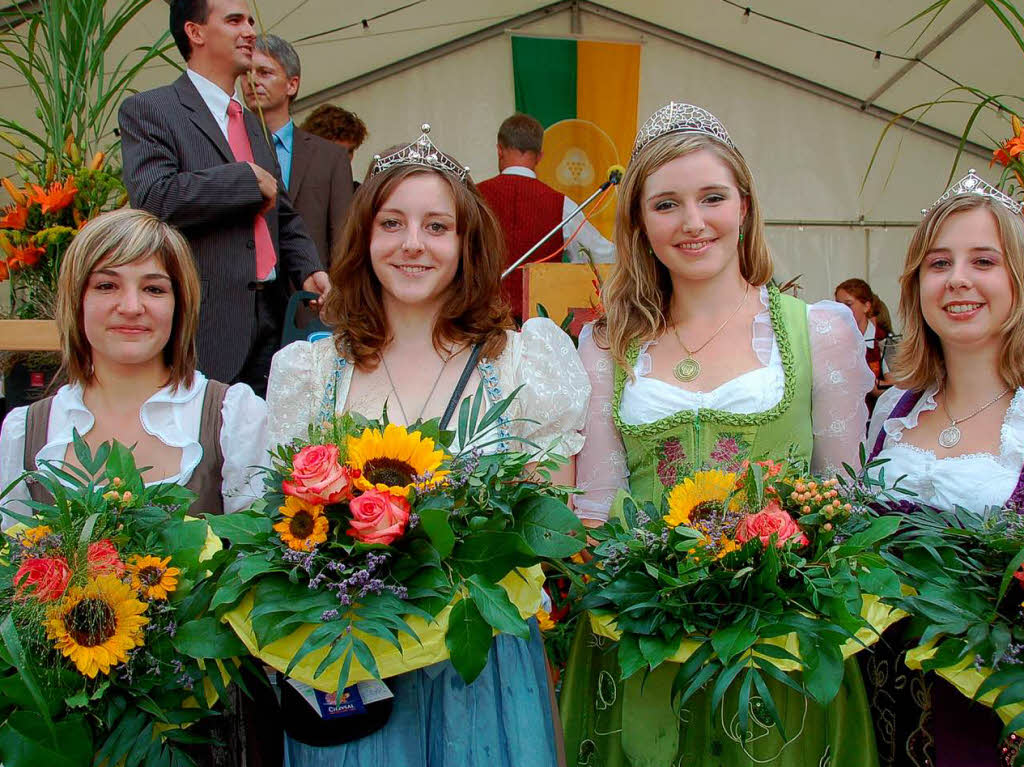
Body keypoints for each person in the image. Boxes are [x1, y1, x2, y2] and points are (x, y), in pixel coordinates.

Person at [561, 102, 877, 767]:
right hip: (645, 642)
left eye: (712, 197)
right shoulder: (607, 346)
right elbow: (595, 508)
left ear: (744, 206)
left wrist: (770, 577)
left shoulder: (817, 332)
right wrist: (657, 582)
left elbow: (841, 503)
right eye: (666, 204)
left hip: (776, 646)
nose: (693, 222)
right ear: (640, 224)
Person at [264, 124, 590, 766]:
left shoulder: (522, 363)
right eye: (392, 223)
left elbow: (552, 520)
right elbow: (278, 525)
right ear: (363, 237)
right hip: (353, 665)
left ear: (468, 242)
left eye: (437, 226)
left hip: (480, 669)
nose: (413, 244)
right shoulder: (310, 372)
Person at [863, 174, 1024, 767]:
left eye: (984, 260)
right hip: (878, 711)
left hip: (990, 727)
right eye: (939, 262)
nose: (958, 279)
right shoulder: (894, 411)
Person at [0, 207, 266, 522]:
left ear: (179, 305)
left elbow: (256, 555)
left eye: (153, 289)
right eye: (106, 286)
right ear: (77, 300)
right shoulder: (25, 430)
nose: (131, 307)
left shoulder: (233, 418)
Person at [118, 0, 328, 397]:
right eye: (234, 20)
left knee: (261, 452)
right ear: (195, 32)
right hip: (205, 324)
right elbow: (152, 198)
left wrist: (308, 268)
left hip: (272, 317)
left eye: (250, 19)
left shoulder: (252, 122)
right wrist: (243, 179)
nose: (250, 30)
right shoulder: (151, 110)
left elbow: (282, 213)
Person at [477, 113, 615, 321]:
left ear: (499, 149)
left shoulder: (473, 197)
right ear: (540, 156)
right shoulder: (562, 204)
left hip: (478, 321)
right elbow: (601, 255)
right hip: (538, 327)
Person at [241, 34, 353, 268]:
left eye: (264, 72)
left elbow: (343, 242)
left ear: (292, 84)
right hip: (241, 296)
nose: (251, 80)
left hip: (308, 296)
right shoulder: (225, 145)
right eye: (245, 72)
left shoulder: (331, 157)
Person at [835, 277, 894, 410]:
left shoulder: (883, 340)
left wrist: (866, 380)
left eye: (848, 304)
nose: (841, 310)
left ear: (866, 306)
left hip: (874, 418)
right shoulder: (836, 338)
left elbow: (894, 389)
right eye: (838, 305)